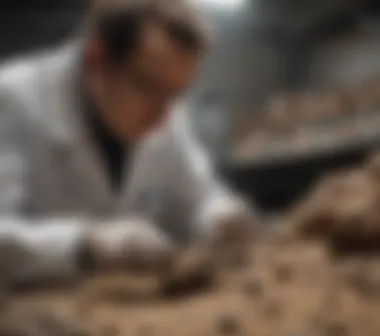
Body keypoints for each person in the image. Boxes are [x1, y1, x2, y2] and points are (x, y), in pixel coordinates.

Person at [0, 0, 257, 288]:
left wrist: (219, 216)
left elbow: (198, 195)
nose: (164, 115)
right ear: (96, 58)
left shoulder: (163, 109)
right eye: (150, 89)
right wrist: (87, 244)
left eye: (176, 95)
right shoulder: (12, 101)